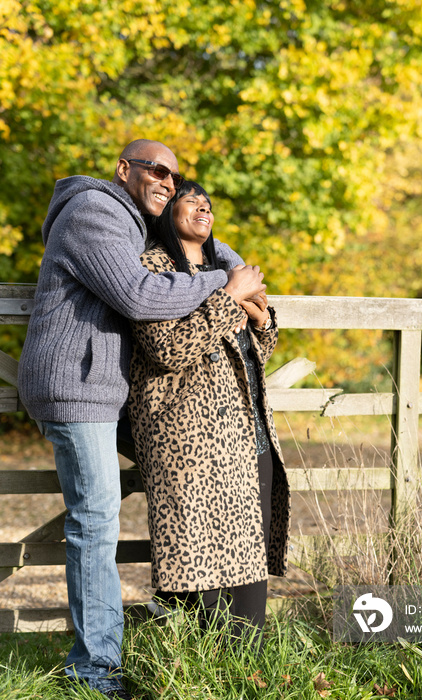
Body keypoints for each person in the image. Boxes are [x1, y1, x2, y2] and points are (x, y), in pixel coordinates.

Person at [17, 140, 266, 700]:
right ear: (124, 169)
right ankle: (95, 671)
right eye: (157, 170)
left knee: (189, 462)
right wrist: (229, 288)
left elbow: (202, 239)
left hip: (112, 393)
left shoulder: (136, 220)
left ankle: (174, 614)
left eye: (174, 176)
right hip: (76, 390)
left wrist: (230, 264)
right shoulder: (94, 212)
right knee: (97, 522)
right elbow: (137, 294)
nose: (168, 182)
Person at [127, 181, 290, 650]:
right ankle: (199, 662)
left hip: (247, 429)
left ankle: (247, 662)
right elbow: (167, 349)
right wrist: (229, 298)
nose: (203, 206)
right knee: (201, 551)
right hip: (187, 432)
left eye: (208, 203)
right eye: (190, 199)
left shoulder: (227, 266)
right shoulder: (149, 269)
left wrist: (261, 320)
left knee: (248, 553)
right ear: (166, 214)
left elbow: (256, 345)